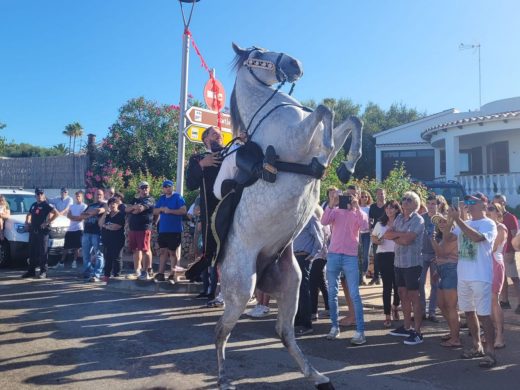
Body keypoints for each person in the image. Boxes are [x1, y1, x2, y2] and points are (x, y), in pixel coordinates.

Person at [447, 192, 498, 368]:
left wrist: (458, 220)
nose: (469, 204)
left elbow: (477, 238)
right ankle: (477, 346)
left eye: (473, 202)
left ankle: (490, 352)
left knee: (484, 315)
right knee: (469, 312)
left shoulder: (489, 223)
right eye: (467, 201)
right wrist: (450, 218)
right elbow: (447, 238)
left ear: (484, 205)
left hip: (480, 276)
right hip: (464, 276)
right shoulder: (465, 222)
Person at [321, 188, 368, 345]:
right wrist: (331, 203)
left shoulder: (357, 212)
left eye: (351, 195)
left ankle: (360, 332)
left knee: (355, 294)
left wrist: (357, 207)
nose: (347, 197)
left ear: (355, 196)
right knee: (332, 294)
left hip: (350, 257)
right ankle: (334, 327)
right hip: (334, 254)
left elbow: (365, 226)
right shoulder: (336, 210)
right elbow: (324, 221)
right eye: (345, 195)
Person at [185, 126, 224, 305]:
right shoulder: (196, 158)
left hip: (230, 204)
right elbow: (191, 184)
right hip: (210, 209)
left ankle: (219, 292)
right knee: (211, 251)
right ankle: (209, 290)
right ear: (206, 138)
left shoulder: (228, 152)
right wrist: (202, 165)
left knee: (223, 251)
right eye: (214, 132)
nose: (219, 134)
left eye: (220, 132)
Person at [385, 191, 425, 346]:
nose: (405, 201)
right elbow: (387, 235)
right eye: (404, 199)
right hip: (399, 263)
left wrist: (397, 236)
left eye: (409, 199)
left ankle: (418, 332)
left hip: (412, 264)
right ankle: (407, 326)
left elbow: (409, 239)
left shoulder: (418, 220)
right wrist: (400, 236)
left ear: (415, 204)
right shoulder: (399, 218)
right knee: (402, 294)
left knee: (414, 296)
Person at [293, 209, 324, 336]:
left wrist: (312, 254)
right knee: (295, 290)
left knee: (304, 290)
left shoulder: (310, 217)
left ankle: (306, 324)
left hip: (303, 257)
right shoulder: (294, 216)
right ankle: (298, 320)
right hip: (293, 257)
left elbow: (319, 238)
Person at [430, 214, 460, 347]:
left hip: (451, 271)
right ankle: (454, 332)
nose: (441, 224)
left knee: (451, 307)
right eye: (439, 222)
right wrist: (437, 270)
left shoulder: (452, 236)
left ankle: (455, 338)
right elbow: (442, 256)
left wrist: (432, 239)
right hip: (444, 271)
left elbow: (442, 253)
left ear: (451, 223)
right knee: (441, 304)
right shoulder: (445, 237)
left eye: (444, 221)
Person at [371, 200, 401, 328]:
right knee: (387, 286)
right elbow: (373, 237)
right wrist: (379, 240)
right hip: (383, 256)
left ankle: (395, 306)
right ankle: (387, 314)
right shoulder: (380, 223)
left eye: (392, 208)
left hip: (398, 255)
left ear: (396, 209)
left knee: (398, 286)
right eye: (387, 208)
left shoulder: (400, 222)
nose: (389, 210)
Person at [153, 180, 187, 284]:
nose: (167, 188)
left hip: (174, 230)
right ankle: (161, 274)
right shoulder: (162, 198)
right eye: (165, 187)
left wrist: (170, 211)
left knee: (172, 252)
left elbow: (183, 210)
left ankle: (172, 274)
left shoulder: (178, 197)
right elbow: (154, 211)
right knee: (163, 252)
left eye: (169, 186)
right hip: (163, 230)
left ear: (172, 187)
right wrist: (161, 209)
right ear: (163, 188)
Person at [21, 188, 59, 279]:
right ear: (35, 196)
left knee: (43, 252)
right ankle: (31, 271)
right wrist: (27, 223)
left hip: (42, 232)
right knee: (32, 252)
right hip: (33, 231)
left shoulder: (46, 205)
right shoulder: (34, 205)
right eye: (38, 194)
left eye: (41, 194)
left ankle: (43, 272)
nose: (40, 196)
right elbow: (29, 214)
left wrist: (47, 222)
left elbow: (56, 213)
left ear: (44, 195)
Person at [494, 195, 520, 313]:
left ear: (505, 203)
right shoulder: (495, 218)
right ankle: (505, 300)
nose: (500, 204)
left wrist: (513, 251)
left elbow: (515, 236)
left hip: (508, 251)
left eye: (502, 202)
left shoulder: (510, 217)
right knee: (502, 278)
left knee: (514, 278)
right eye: (498, 202)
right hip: (499, 252)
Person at [486, 202, 507, 349]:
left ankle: (500, 336)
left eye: (491, 209)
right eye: (486, 208)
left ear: (499, 213)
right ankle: (491, 332)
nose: (488, 211)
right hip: (484, 264)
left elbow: (491, 248)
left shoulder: (500, 228)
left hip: (495, 264)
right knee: (486, 302)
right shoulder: (486, 226)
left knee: (494, 300)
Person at [125, 181, 155, 280]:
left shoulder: (150, 199)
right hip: (133, 228)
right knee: (135, 250)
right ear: (139, 189)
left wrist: (133, 209)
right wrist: (133, 207)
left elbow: (139, 210)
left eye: (146, 187)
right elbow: (126, 209)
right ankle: (137, 271)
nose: (144, 189)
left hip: (144, 228)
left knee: (145, 250)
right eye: (142, 187)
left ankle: (146, 271)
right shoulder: (134, 199)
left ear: (149, 189)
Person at [419, 194, 440, 322]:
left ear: (438, 205)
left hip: (435, 255)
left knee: (435, 284)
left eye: (434, 204)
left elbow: (445, 239)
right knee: (420, 283)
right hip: (422, 254)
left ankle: (432, 312)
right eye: (429, 203)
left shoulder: (441, 219)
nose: (431, 206)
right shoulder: (422, 218)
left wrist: (439, 255)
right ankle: (422, 310)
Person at [80, 188, 106, 282]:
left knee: (99, 254)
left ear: (103, 196)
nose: (98, 196)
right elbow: (81, 215)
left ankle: (96, 274)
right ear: (94, 195)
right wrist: (90, 213)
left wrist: (89, 214)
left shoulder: (104, 204)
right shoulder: (90, 205)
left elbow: (99, 211)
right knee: (86, 254)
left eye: (100, 194)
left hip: (97, 233)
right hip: (86, 232)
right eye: (97, 194)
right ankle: (87, 272)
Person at [310, 206, 330, 321]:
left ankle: (313, 311)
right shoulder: (325, 224)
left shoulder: (317, 223)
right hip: (323, 255)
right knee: (322, 283)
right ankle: (328, 308)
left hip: (316, 256)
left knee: (313, 285)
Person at [100, 197, 126, 281]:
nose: (112, 205)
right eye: (110, 204)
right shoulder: (107, 215)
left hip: (117, 240)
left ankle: (116, 276)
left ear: (118, 205)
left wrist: (105, 226)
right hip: (107, 240)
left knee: (117, 258)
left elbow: (116, 227)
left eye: (114, 203)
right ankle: (106, 275)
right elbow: (100, 223)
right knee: (108, 258)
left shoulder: (120, 215)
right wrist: (104, 214)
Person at [61, 191, 87, 269]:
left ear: (82, 197)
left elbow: (81, 218)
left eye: (79, 196)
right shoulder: (72, 206)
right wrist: (75, 217)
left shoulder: (84, 206)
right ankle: (62, 262)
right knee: (66, 247)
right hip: (70, 229)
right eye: (76, 196)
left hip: (79, 229)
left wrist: (74, 217)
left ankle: (75, 262)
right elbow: (68, 215)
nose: (77, 197)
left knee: (77, 247)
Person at [368, 188, 386, 284]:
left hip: (387, 234)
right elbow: (370, 219)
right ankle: (376, 277)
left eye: (382, 194)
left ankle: (386, 277)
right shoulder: (373, 206)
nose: (380, 196)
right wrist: (370, 228)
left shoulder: (388, 206)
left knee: (387, 257)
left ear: (385, 195)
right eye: (379, 194)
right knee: (376, 256)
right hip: (376, 234)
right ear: (376, 195)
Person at [359, 190, 372, 285]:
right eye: (362, 196)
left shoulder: (369, 208)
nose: (364, 198)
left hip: (367, 233)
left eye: (366, 197)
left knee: (365, 254)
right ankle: (358, 275)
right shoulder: (356, 207)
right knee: (357, 254)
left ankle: (364, 274)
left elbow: (372, 220)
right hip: (357, 233)